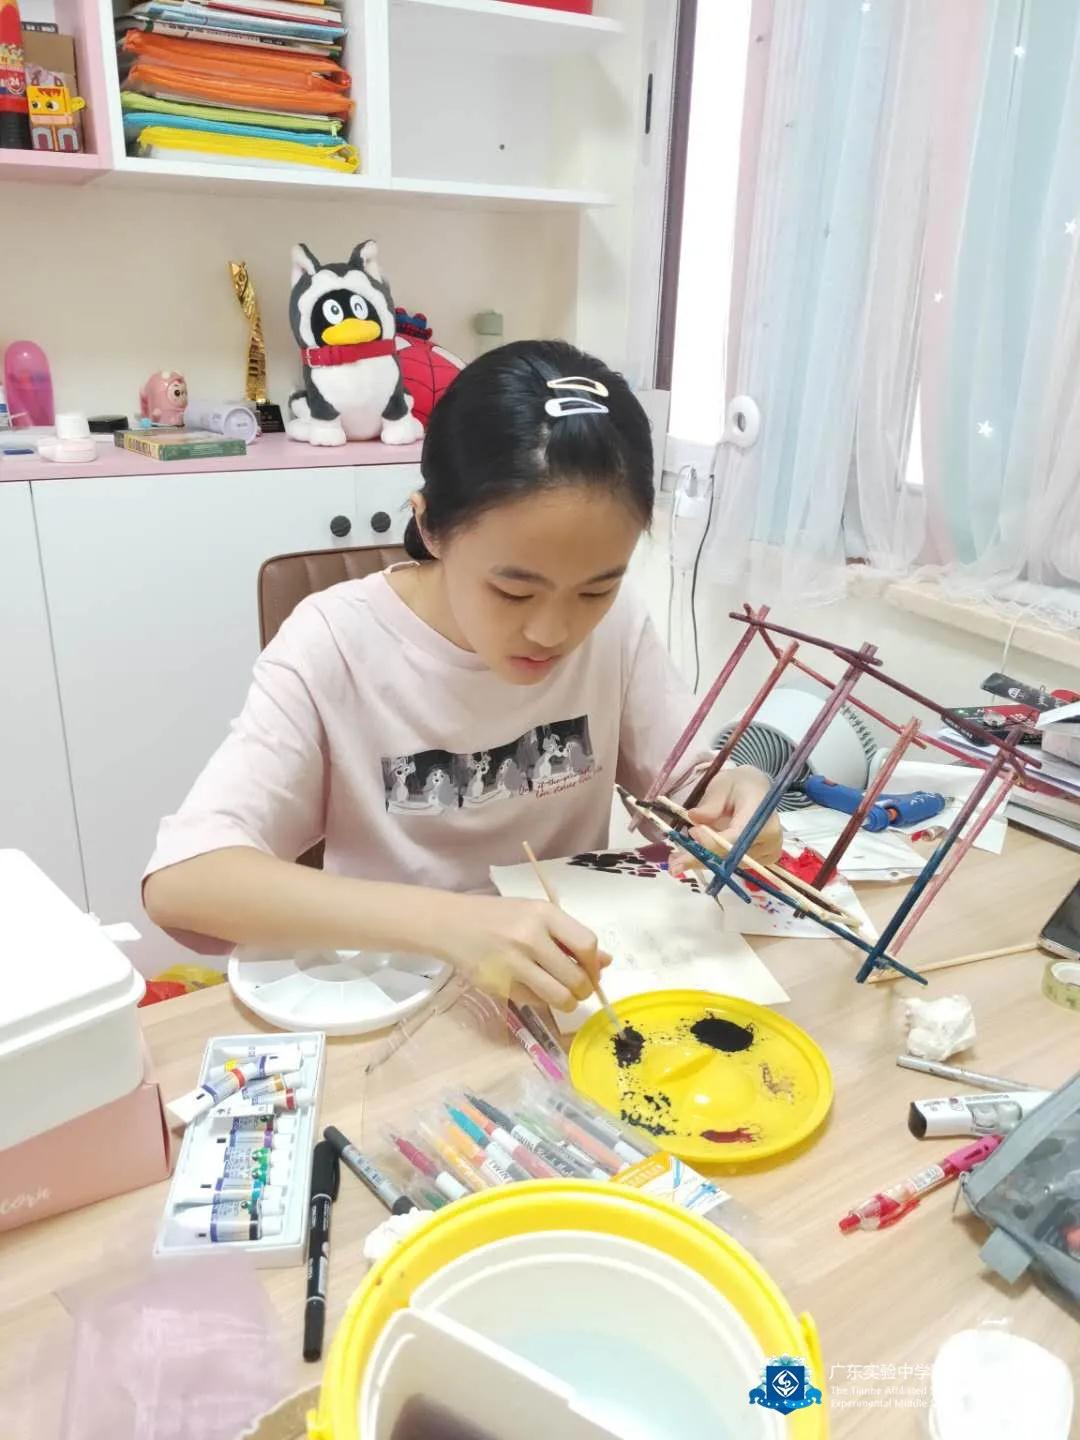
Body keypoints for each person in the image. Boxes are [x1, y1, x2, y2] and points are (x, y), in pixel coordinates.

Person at [144, 340, 781, 1012]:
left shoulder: (617, 628)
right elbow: (184, 882)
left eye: (596, 589)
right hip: (395, 999)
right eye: (514, 591)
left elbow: (684, 799)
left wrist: (733, 803)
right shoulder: (335, 642)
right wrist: (453, 925)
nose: (553, 632)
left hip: (566, 994)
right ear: (430, 526)